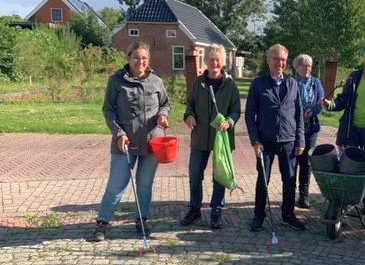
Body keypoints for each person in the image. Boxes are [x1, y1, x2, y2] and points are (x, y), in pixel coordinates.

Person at [90, 42, 170, 242]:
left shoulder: (156, 81)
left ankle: (142, 221)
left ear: (148, 60)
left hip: (152, 142)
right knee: (117, 185)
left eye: (143, 58)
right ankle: (102, 223)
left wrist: (162, 115)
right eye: (136, 57)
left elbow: (165, 104)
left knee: (144, 185)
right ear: (128, 58)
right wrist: (118, 133)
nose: (140, 61)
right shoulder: (116, 81)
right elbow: (108, 110)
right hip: (124, 143)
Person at [245, 44, 306, 232]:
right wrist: (255, 141)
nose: (280, 63)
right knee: (263, 179)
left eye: (283, 60)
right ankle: (258, 215)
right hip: (266, 141)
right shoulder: (258, 83)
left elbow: (299, 114)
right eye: (276, 58)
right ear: (268, 60)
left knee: (289, 179)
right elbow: (249, 115)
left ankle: (288, 214)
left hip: (288, 140)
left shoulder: (293, 84)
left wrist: (301, 140)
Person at [180, 44, 241, 230]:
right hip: (199, 137)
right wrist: (189, 115)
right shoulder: (198, 83)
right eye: (212, 59)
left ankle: (216, 212)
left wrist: (229, 121)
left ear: (223, 62)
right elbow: (189, 104)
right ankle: (195, 208)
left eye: (218, 60)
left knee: (219, 176)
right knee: (195, 174)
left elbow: (236, 110)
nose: (215, 63)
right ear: (206, 61)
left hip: (221, 138)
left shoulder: (230, 85)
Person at [322, 45, 365, 209]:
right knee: (348, 165)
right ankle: (345, 201)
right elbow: (344, 100)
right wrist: (331, 104)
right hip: (351, 128)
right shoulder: (354, 77)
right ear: (364, 59)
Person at [293, 54, 325, 208]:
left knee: (306, 162)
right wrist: (298, 115)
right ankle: (289, 193)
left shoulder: (316, 83)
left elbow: (321, 103)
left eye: (310, 66)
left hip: (311, 128)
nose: (307, 69)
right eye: (304, 65)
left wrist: (312, 112)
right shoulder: (291, 82)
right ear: (297, 67)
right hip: (293, 128)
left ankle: (303, 195)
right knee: (293, 161)